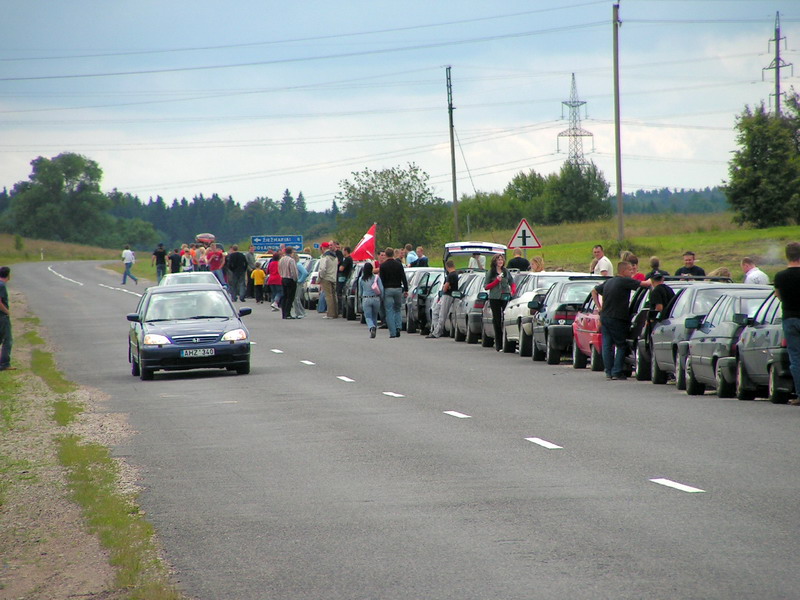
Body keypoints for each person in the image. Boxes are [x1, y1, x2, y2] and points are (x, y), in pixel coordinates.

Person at [591, 261, 652, 380]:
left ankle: (608, 371)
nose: (632, 271)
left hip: (605, 317)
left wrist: (599, 307)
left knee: (607, 345)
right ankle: (617, 372)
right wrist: (654, 278)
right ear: (623, 271)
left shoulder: (609, 281)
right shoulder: (625, 281)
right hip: (617, 318)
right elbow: (646, 284)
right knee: (621, 345)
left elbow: (594, 291)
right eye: (630, 270)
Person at [773, 242, 800, 403]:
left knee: (795, 358)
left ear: (787, 256)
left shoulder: (780, 276)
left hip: (790, 318)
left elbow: (778, 295)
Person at [484, 254, 516, 351]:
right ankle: (499, 344)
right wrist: (496, 281)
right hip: (495, 298)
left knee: (506, 318)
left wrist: (513, 290)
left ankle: (508, 343)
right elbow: (486, 286)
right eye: (498, 260)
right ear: (495, 262)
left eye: (501, 260)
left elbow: (512, 282)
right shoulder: (491, 272)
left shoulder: (506, 271)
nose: (500, 261)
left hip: (505, 296)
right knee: (497, 320)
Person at [379, 247, 408, 338]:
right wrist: (406, 289)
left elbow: (381, 280)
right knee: (397, 309)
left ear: (386, 255)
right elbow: (403, 277)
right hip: (398, 289)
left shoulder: (383, 266)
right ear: (393, 254)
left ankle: (392, 332)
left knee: (389, 311)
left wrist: (381, 292)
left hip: (387, 289)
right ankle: (398, 327)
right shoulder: (399, 264)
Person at [427, 260, 459, 339]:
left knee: (442, 314)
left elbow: (445, 288)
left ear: (447, 267)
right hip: (448, 295)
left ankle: (437, 332)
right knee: (435, 311)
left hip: (448, 295)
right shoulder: (455, 274)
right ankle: (435, 330)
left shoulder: (450, 275)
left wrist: (445, 286)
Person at [359, 262, 383, 338]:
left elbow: (360, 292)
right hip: (376, 299)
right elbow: (381, 289)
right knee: (374, 316)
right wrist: (381, 298)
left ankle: (371, 327)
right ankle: (374, 329)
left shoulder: (361, 279)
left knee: (368, 316)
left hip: (366, 299)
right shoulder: (376, 277)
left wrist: (360, 299)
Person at [318, 242, 339, 319]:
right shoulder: (335, 257)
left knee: (328, 296)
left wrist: (320, 277)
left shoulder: (325, 257)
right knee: (334, 296)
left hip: (326, 278)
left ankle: (330, 314)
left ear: (323, 248)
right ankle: (335, 312)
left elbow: (322, 269)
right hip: (333, 277)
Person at [278, 247, 299, 319]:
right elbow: (293, 271)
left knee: (285, 296)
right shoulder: (291, 260)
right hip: (290, 279)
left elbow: (279, 269)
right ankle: (287, 313)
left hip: (283, 278)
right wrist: (295, 279)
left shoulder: (281, 259)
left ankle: (284, 313)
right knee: (290, 297)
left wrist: (282, 275)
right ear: (291, 252)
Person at [0, 266, 13, 371]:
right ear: (8, 275)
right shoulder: (1, 285)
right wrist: (7, 312)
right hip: (2, 317)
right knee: (7, 340)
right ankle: (4, 363)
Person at [337, 246, 353, 318]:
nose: (342, 252)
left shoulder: (347, 259)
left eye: (343, 250)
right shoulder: (348, 259)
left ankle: (340, 309)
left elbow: (341, 268)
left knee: (340, 293)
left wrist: (339, 265)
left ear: (346, 251)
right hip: (346, 277)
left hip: (344, 278)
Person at [292, 254, 308, 319]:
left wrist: (300, 280)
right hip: (298, 282)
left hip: (298, 283)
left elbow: (305, 273)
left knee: (296, 298)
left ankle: (300, 313)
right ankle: (301, 312)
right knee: (296, 298)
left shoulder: (298, 265)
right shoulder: (297, 264)